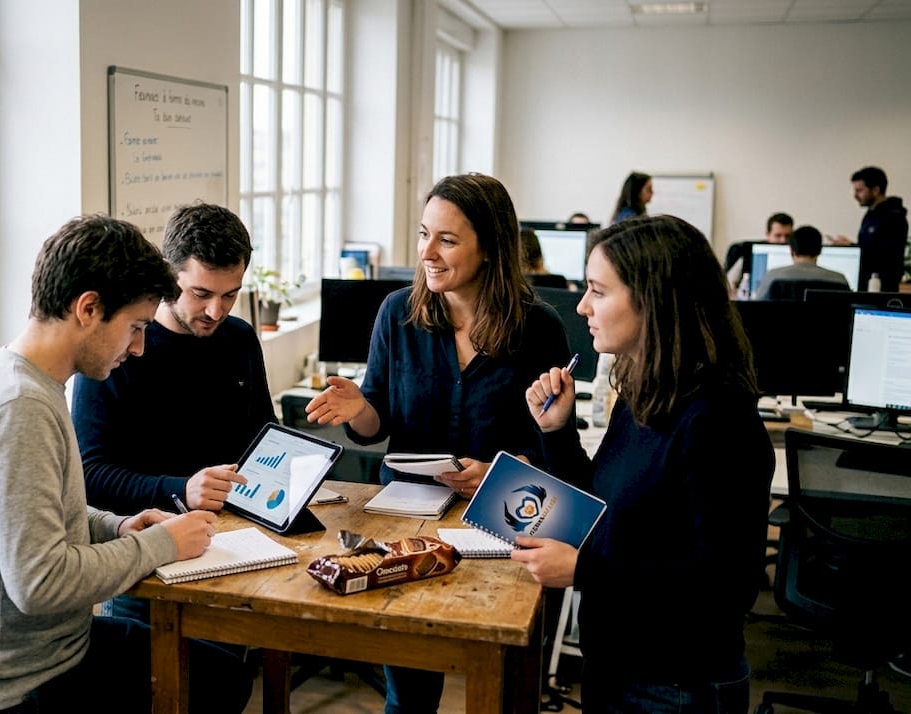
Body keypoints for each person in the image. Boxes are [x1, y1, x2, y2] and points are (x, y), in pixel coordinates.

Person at [0, 215, 252, 714]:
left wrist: (120, 525)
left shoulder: (29, 381)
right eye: (136, 327)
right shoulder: (19, 408)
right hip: (17, 685)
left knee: (223, 677)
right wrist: (160, 543)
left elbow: (45, 522)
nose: (140, 346)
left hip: (52, 651)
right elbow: (40, 583)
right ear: (88, 308)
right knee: (216, 686)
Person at [305, 173, 575, 714]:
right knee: (409, 689)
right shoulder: (397, 313)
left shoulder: (539, 327)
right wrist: (360, 409)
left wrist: (501, 470)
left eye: (447, 240)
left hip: (503, 517)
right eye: (424, 233)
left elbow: (552, 445)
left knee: (506, 679)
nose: (426, 252)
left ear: (491, 248)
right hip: (408, 517)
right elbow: (374, 427)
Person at [519, 215, 772, 714]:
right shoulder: (645, 395)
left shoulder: (717, 419)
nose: (583, 305)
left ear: (654, 300)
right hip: (619, 663)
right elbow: (597, 508)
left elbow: (727, 584)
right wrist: (557, 431)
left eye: (597, 291)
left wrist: (585, 569)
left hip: (677, 683)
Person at [73, 201, 274, 621]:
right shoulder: (115, 349)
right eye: (201, 294)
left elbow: (262, 438)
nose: (216, 311)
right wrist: (181, 488)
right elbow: (88, 476)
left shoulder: (239, 339)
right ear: (169, 275)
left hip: (236, 547)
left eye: (230, 295)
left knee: (227, 679)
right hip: (149, 563)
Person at [836, 166, 908, 291]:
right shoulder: (870, 215)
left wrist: (853, 247)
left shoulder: (894, 217)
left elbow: (885, 256)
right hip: (865, 283)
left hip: (882, 287)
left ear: (875, 190)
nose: (855, 196)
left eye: (859, 190)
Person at [752, 225, 850, 300]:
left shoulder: (773, 276)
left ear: (791, 250)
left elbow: (756, 309)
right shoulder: (840, 280)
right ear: (820, 250)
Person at [724, 212, 793, 293]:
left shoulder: (797, 255)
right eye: (778, 236)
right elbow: (729, 282)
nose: (783, 240)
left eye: (788, 236)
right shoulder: (748, 252)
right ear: (768, 235)